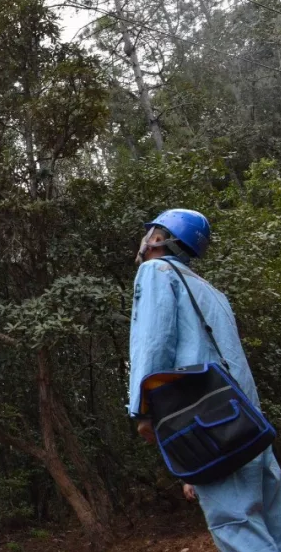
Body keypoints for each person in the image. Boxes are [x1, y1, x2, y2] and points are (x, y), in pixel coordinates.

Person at [128, 208, 281, 552]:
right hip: (249, 422)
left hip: (213, 425)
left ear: (157, 239)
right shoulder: (212, 291)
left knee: (237, 524)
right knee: (274, 524)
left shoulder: (156, 272)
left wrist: (143, 410)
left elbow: (153, 342)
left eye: (148, 233)